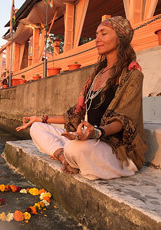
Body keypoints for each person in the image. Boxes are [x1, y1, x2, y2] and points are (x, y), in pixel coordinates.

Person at [16, 16, 147, 180]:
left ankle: (72, 157)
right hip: (86, 137)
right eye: (97, 34)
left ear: (120, 38)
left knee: (76, 149)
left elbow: (124, 120)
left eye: (103, 34)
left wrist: (96, 133)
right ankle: (65, 158)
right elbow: (74, 116)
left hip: (114, 146)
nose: (97, 39)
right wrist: (40, 118)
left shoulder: (132, 74)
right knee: (37, 128)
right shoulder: (96, 74)